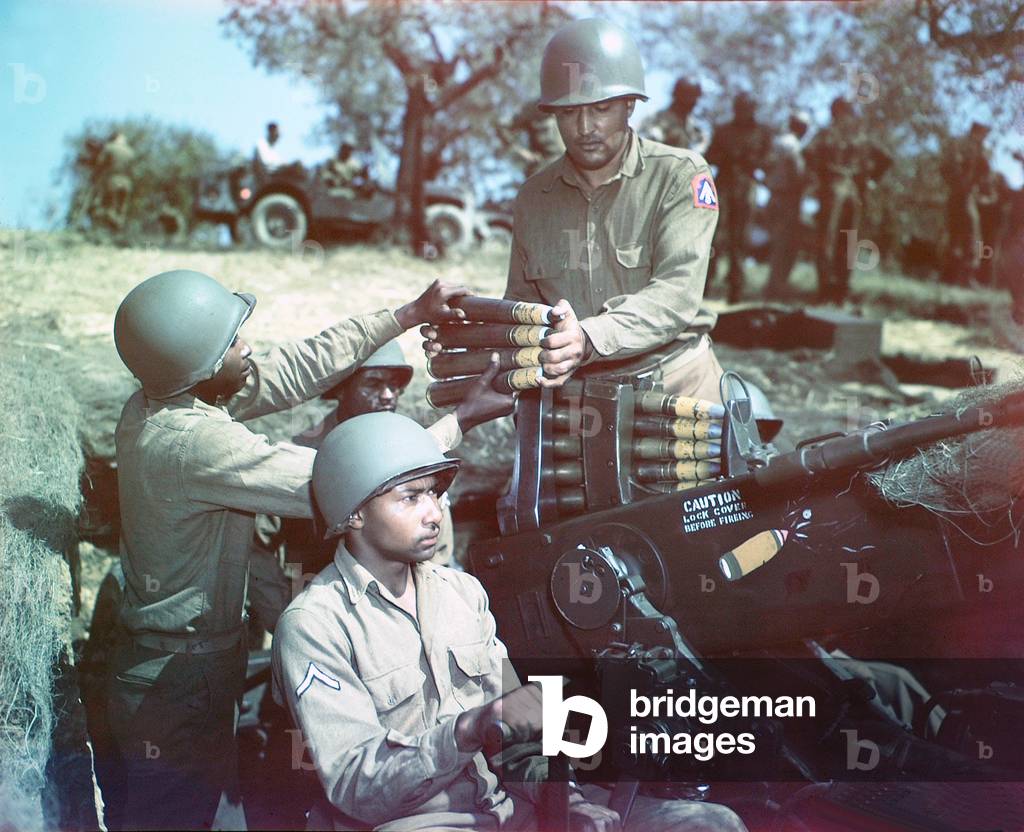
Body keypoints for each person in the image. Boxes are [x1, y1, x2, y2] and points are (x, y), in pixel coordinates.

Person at [104, 269, 513, 831]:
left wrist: (407, 314)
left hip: (190, 662)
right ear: (198, 367)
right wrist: (460, 419)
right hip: (177, 678)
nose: (249, 349)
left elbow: (297, 366)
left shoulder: (168, 396)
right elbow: (347, 480)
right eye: (232, 343)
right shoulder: (189, 444)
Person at [272, 411, 747, 831]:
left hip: (508, 809)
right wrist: (466, 730)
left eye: (435, 494)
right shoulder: (316, 625)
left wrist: (566, 801)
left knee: (709, 823)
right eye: (411, 498)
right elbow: (358, 787)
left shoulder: (461, 593)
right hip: (415, 821)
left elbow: (520, 743)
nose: (435, 513)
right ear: (353, 512)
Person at [426, 18, 725, 403]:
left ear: (629, 104)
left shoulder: (679, 176)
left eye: (601, 108)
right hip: (574, 398)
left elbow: (676, 294)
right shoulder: (534, 198)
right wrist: (464, 335)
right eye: (568, 113)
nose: (585, 127)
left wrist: (589, 337)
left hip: (677, 389)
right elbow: (524, 308)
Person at [246, 338, 459, 638]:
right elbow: (256, 545)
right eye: (373, 384)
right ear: (341, 388)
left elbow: (439, 550)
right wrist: (282, 612)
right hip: (325, 618)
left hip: (404, 614)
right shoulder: (306, 454)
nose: (388, 395)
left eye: (395, 385)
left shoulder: (411, 448)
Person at [804, 97, 891, 304]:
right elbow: (886, 158)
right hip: (854, 191)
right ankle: (841, 291)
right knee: (848, 241)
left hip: (833, 189)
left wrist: (818, 178)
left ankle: (826, 290)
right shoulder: (860, 135)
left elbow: (807, 154)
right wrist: (871, 181)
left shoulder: (827, 133)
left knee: (827, 240)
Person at [706, 93, 773, 303]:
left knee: (741, 239)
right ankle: (705, 284)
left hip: (747, 187)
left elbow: (769, 160)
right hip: (724, 185)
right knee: (714, 237)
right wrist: (727, 157)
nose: (743, 112)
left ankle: (736, 288)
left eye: (747, 107)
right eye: (740, 107)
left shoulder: (762, 132)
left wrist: (752, 161)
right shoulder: (723, 131)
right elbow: (710, 155)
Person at [763, 110, 812, 300]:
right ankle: (775, 289)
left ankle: (774, 287)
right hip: (788, 199)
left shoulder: (777, 142)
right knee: (785, 247)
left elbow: (765, 165)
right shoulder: (793, 145)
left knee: (779, 245)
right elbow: (797, 173)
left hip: (773, 196)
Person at [940, 121, 993, 285]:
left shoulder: (980, 150)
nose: (985, 137)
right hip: (959, 194)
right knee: (965, 234)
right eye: (984, 133)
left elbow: (985, 172)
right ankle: (955, 276)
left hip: (967, 195)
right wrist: (958, 182)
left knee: (967, 234)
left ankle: (962, 276)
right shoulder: (961, 145)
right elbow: (946, 167)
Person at [498, 100, 567, 179]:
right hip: (544, 167)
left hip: (568, 165)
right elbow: (503, 128)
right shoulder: (531, 109)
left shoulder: (566, 103)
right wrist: (522, 153)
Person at [642, 77, 710, 155]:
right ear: (677, 96)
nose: (694, 102)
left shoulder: (695, 129)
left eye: (695, 97)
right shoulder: (656, 120)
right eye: (689, 96)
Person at [95, 131, 136, 231]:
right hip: (127, 182)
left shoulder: (109, 147)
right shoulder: (131, 152)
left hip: (113, 180)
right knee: (122, 209)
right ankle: (118, 230)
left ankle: (110, 227)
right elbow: (133, 170)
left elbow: (100, 163)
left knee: (109, 206)